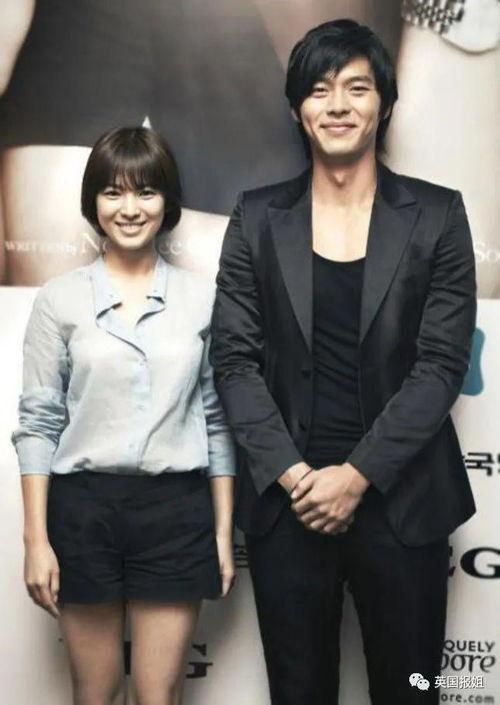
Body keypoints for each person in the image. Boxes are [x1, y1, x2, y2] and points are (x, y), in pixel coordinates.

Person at [210, 19, 476, 705]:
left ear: (384, 105)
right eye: (320, 88)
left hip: (403, 502)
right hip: (289, 505)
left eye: (357, 88)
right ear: (298, 107)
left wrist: (355, 477)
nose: (338, 105)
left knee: (412, 691)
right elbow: (233, 361)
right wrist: (299, 477)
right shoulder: (257, 218)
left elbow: (440, 366)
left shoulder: (438, 216)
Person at [12, 126, 235, 705]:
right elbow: (38, 423)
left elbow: (216, 422)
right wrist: (36, 540)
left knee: (158, 695)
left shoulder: (202, 300)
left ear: (167, 201)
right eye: (112, 192)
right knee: (96, 692)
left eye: (146, 192)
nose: (129, 209)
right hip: (83, 511)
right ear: (93, 202)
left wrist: (220, 533)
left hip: (175, 510)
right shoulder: (59, 299)